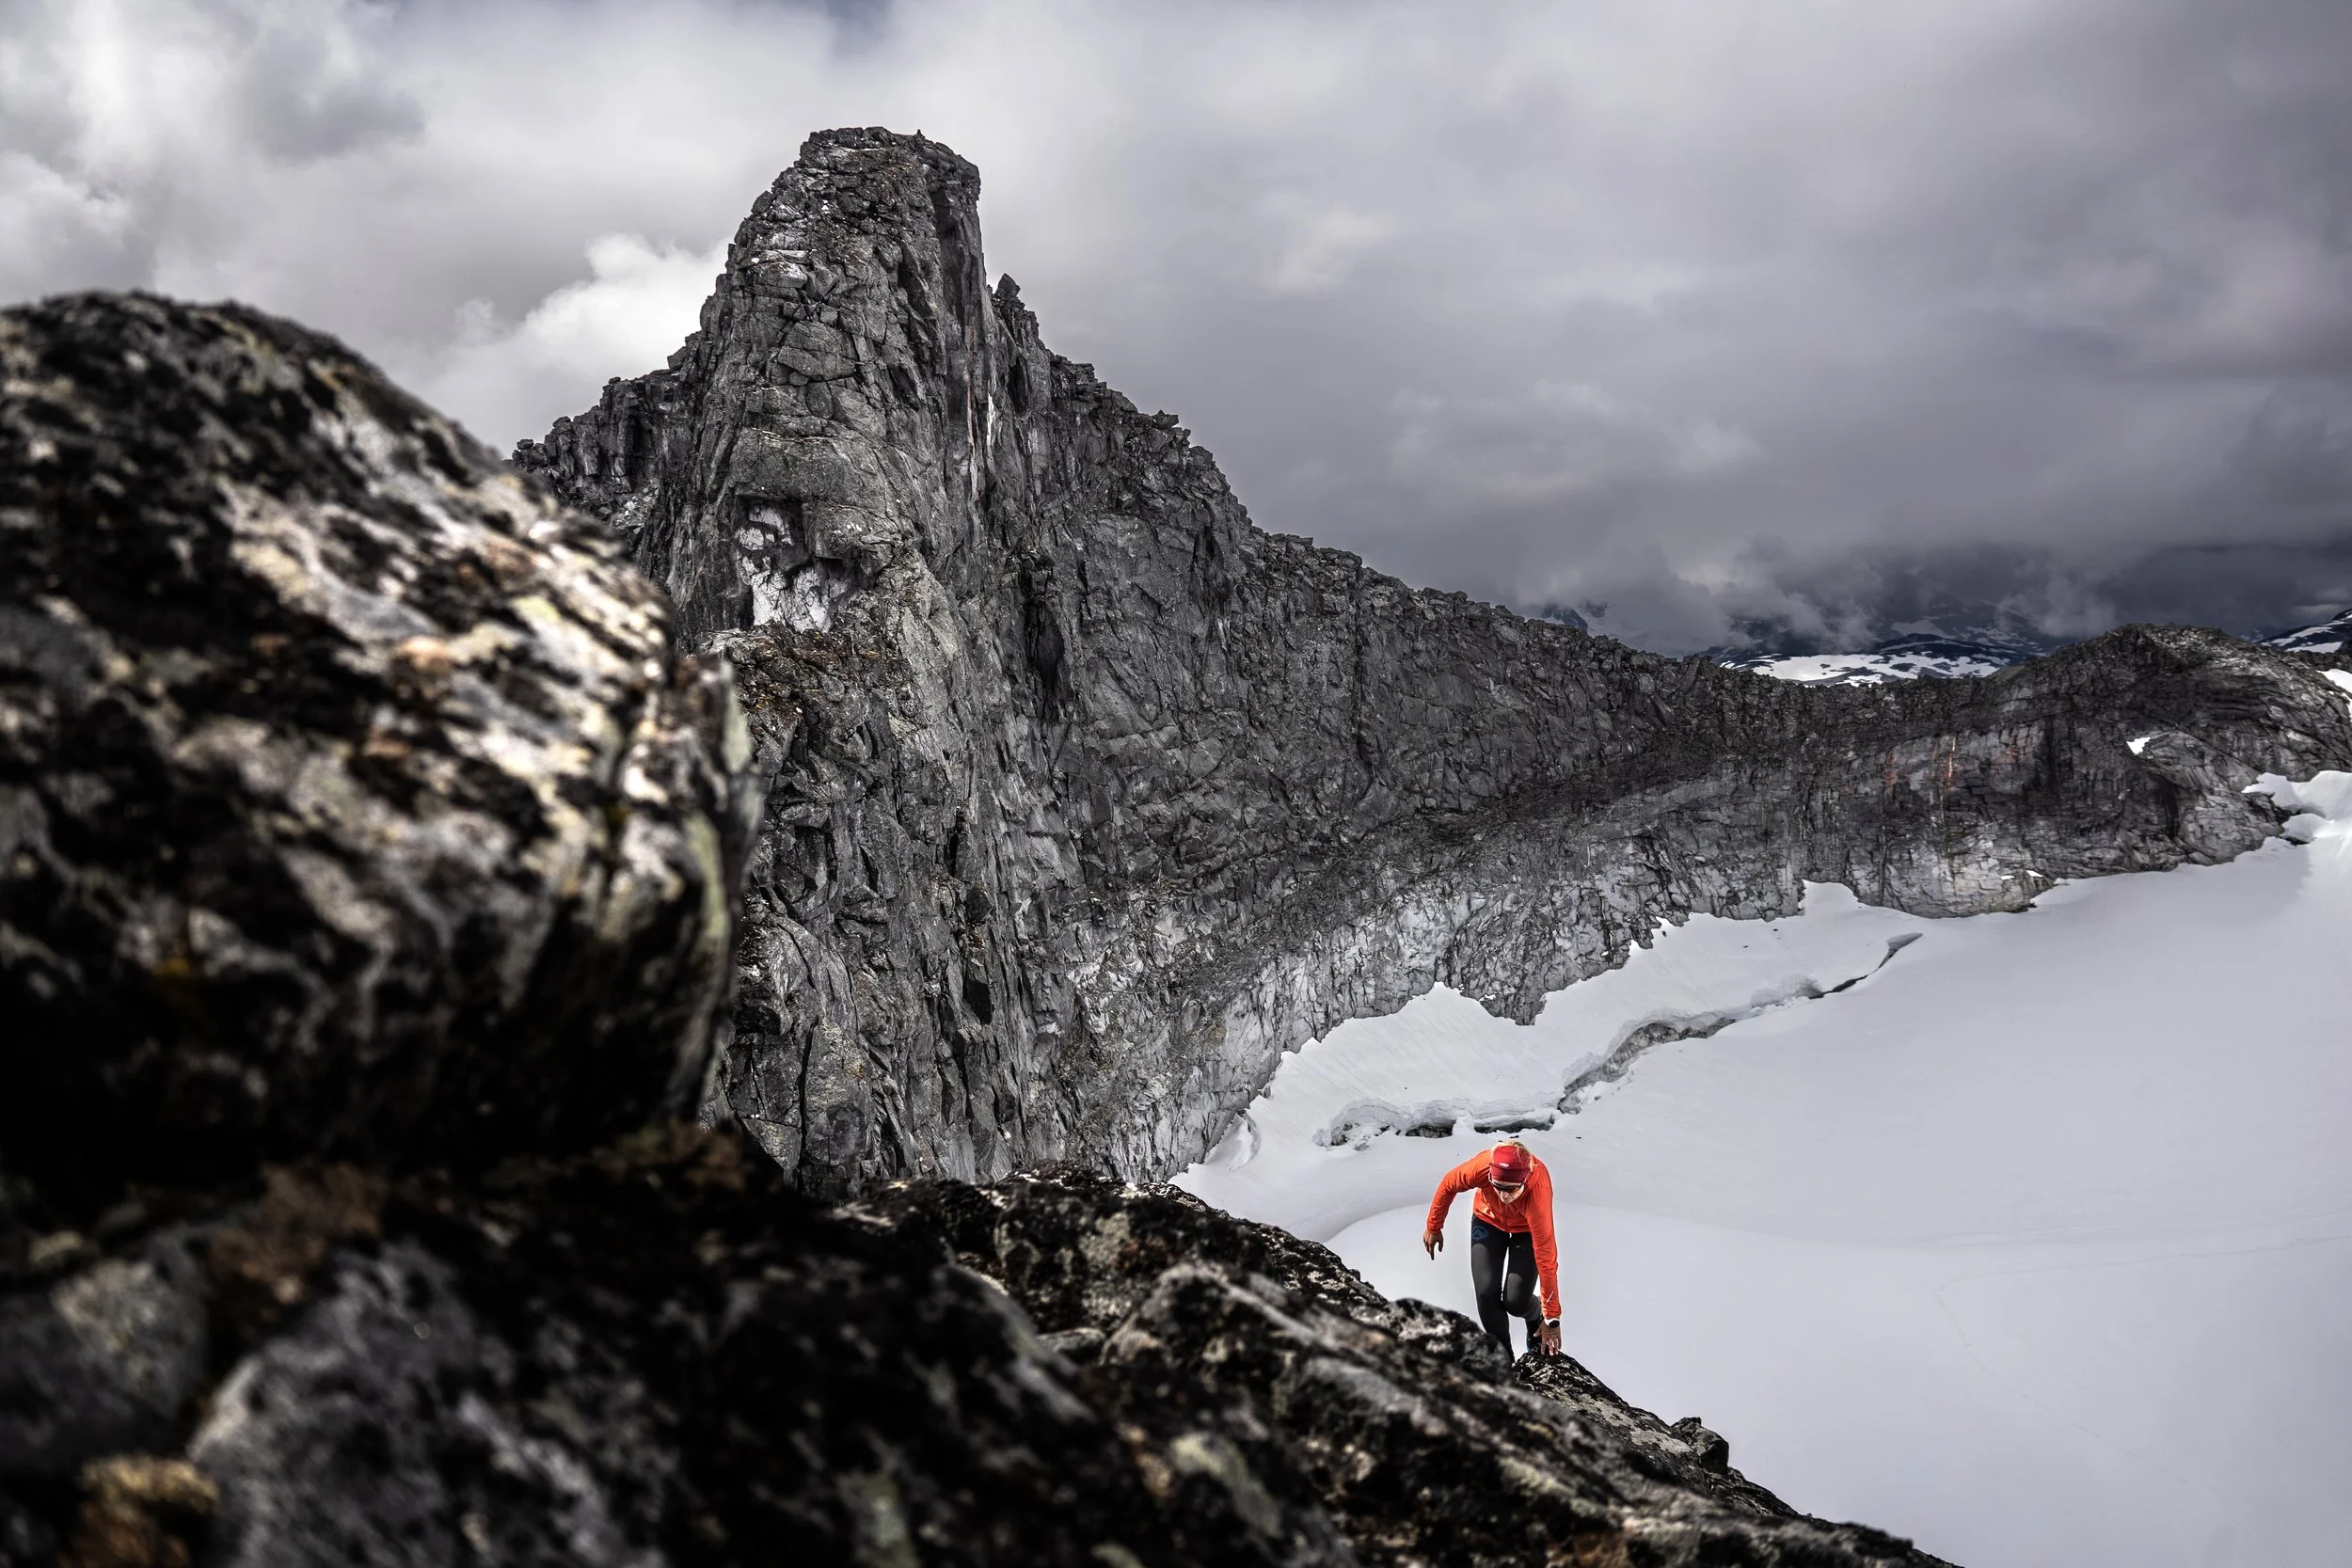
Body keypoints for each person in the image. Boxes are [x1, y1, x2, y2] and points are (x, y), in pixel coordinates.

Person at [1423, 1138, 1561, 1358]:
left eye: (1511, 1189)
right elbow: (1449, 1183)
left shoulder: (1538, 1193)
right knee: (1486, 1293)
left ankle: (1535, 1318)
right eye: (1498, 1187)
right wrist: (1434, 1226)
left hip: (1525, 1229)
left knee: (1516, 1303)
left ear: (1525, 1180)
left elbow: (1546, 1259)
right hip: (1488, 1219)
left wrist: (1552, 1317)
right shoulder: (1482, 1167)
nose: (1504, 1195)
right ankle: (1504, 1359)